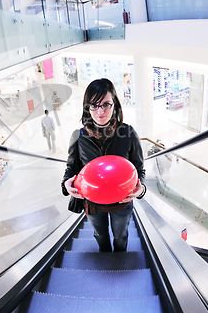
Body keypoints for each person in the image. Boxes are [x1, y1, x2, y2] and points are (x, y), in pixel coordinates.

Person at [61, 78, 146, 252]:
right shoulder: (79, 136)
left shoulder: (128, 133)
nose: (100, 111)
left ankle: (119, 262)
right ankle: (105, 258)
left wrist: (141, 188)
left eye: (106, 104)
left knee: (121, 236)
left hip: (121, 202)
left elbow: (139, 169)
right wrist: (66, 184)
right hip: (92, 204)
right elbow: (71, 168)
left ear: (114, 104)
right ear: (87, 107)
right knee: (100, 236)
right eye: (94, 105)